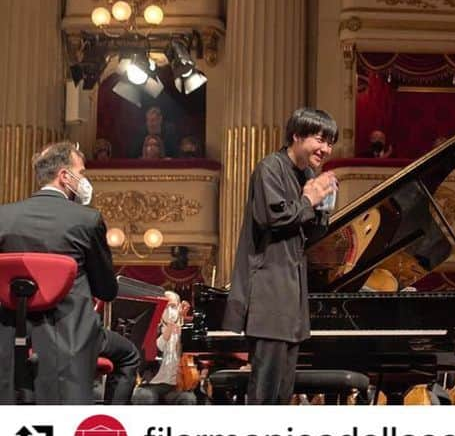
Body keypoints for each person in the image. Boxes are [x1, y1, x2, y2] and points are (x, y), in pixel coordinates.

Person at [223, 108, 339, 404]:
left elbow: (308, 237)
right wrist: (309, 199)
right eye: (320, 139)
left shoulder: (307, 175)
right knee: (265, 394)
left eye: (330, 142)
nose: (326, 149)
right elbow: (273, 219)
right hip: (269, 292)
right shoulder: (269, 168)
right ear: (297, 136)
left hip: (291, 293)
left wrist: (323, 209)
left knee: (283, 395)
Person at [0, 141, 118, 404]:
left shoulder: (3, 217)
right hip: (68, 341)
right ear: (65, 176)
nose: (85, 180)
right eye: (82, 173)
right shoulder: (87, 220)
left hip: (8, 339)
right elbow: (107, 290)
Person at [132, 292, 197, 404]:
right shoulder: (150, 330)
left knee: (188, 398)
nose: (169, 311)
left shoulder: (181, 332)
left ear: (178, 308)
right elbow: (152, 353)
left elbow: (191, 349)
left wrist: (181, 318)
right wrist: (169, 329)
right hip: (150, 385)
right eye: (165, 306)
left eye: (172, 306)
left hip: (173, 387)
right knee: (144, 396)